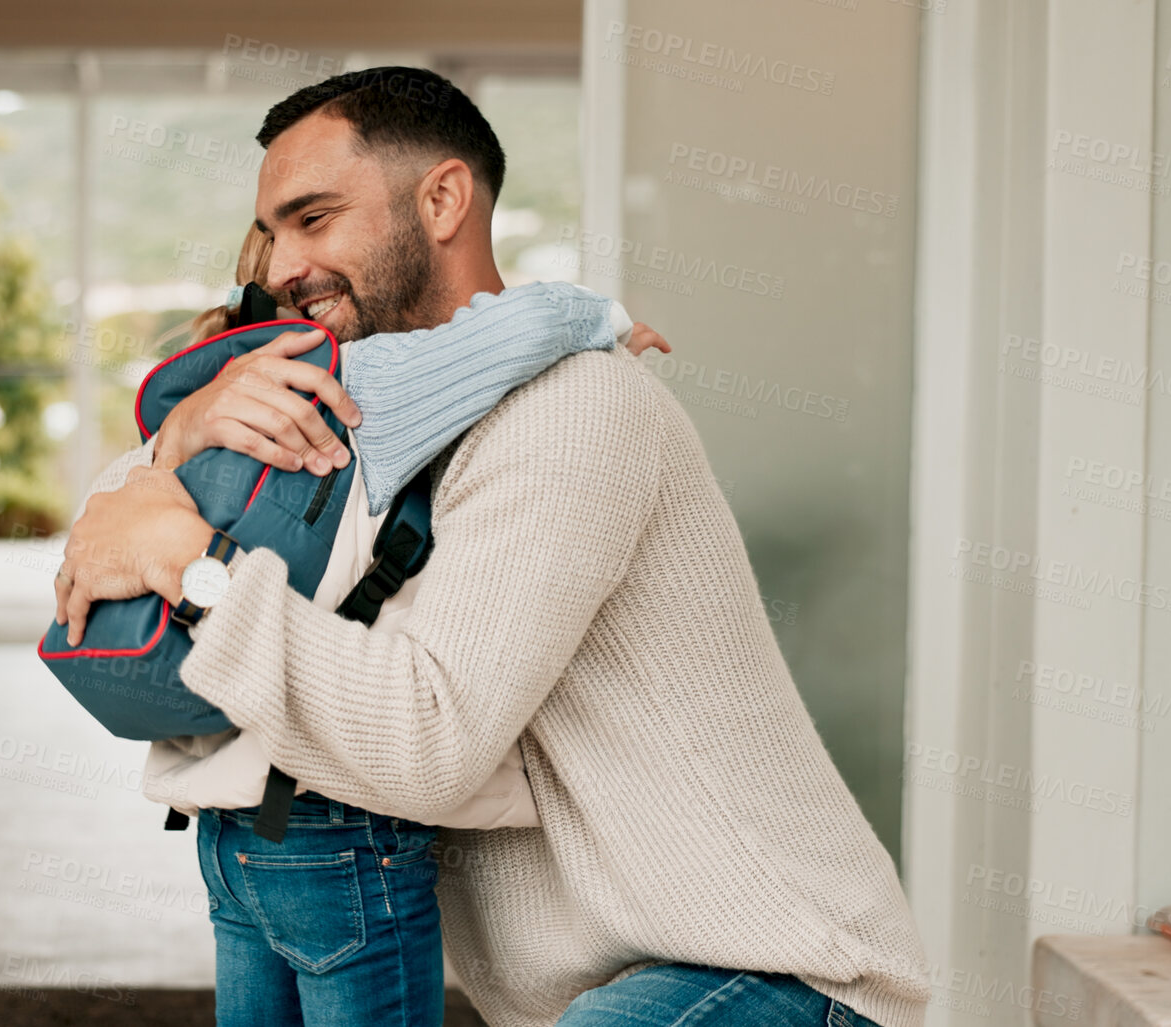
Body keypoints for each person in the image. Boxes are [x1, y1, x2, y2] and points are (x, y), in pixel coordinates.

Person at [54, 67, 930, 1027]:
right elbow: (99, 561)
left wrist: (190, 564)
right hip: (590, 994)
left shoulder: (574, 409)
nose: (278, 267)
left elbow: (428, 744)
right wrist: (180, 442)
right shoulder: (356, 416)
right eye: (274, 232)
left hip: (778, 971)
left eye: (314, 218)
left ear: (440, 199)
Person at [78, 222, 670, 1027]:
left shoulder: (200, 394)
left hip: (224, 824)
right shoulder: (352, 384)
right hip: (336, 818)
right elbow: (527, 325)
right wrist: (604, 323)